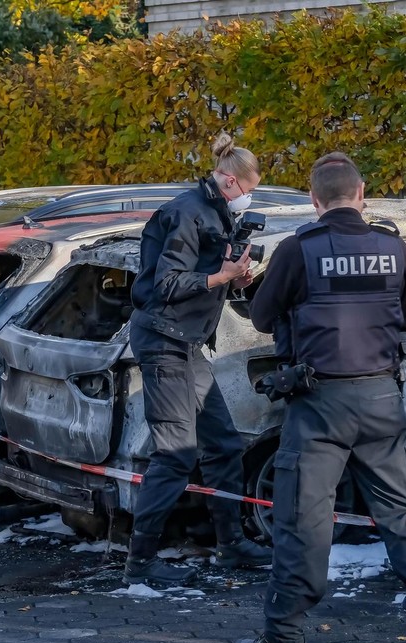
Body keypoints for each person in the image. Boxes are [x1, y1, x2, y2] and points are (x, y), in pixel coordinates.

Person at [233, 152, 406, 643]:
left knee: (302, 522)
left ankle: (285, 642)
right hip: (381, 399)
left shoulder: (298, 250)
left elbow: (263, 318)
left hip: (318, 405)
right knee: (405, 517)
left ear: (315, 201)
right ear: (362, 196)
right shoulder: (393, 247)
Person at [123, 132, 274, 586]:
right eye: (247, 190)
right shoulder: (188, 213)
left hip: (186, 344)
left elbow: (205, 274)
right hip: (163, 341)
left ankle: (231, 544)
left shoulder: (216, 211)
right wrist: (219, 277)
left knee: (223, 444)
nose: (248, 199)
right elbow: (166, 284)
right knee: (175, 454)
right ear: (229, 181)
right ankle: (140, 561)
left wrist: (235, 278)